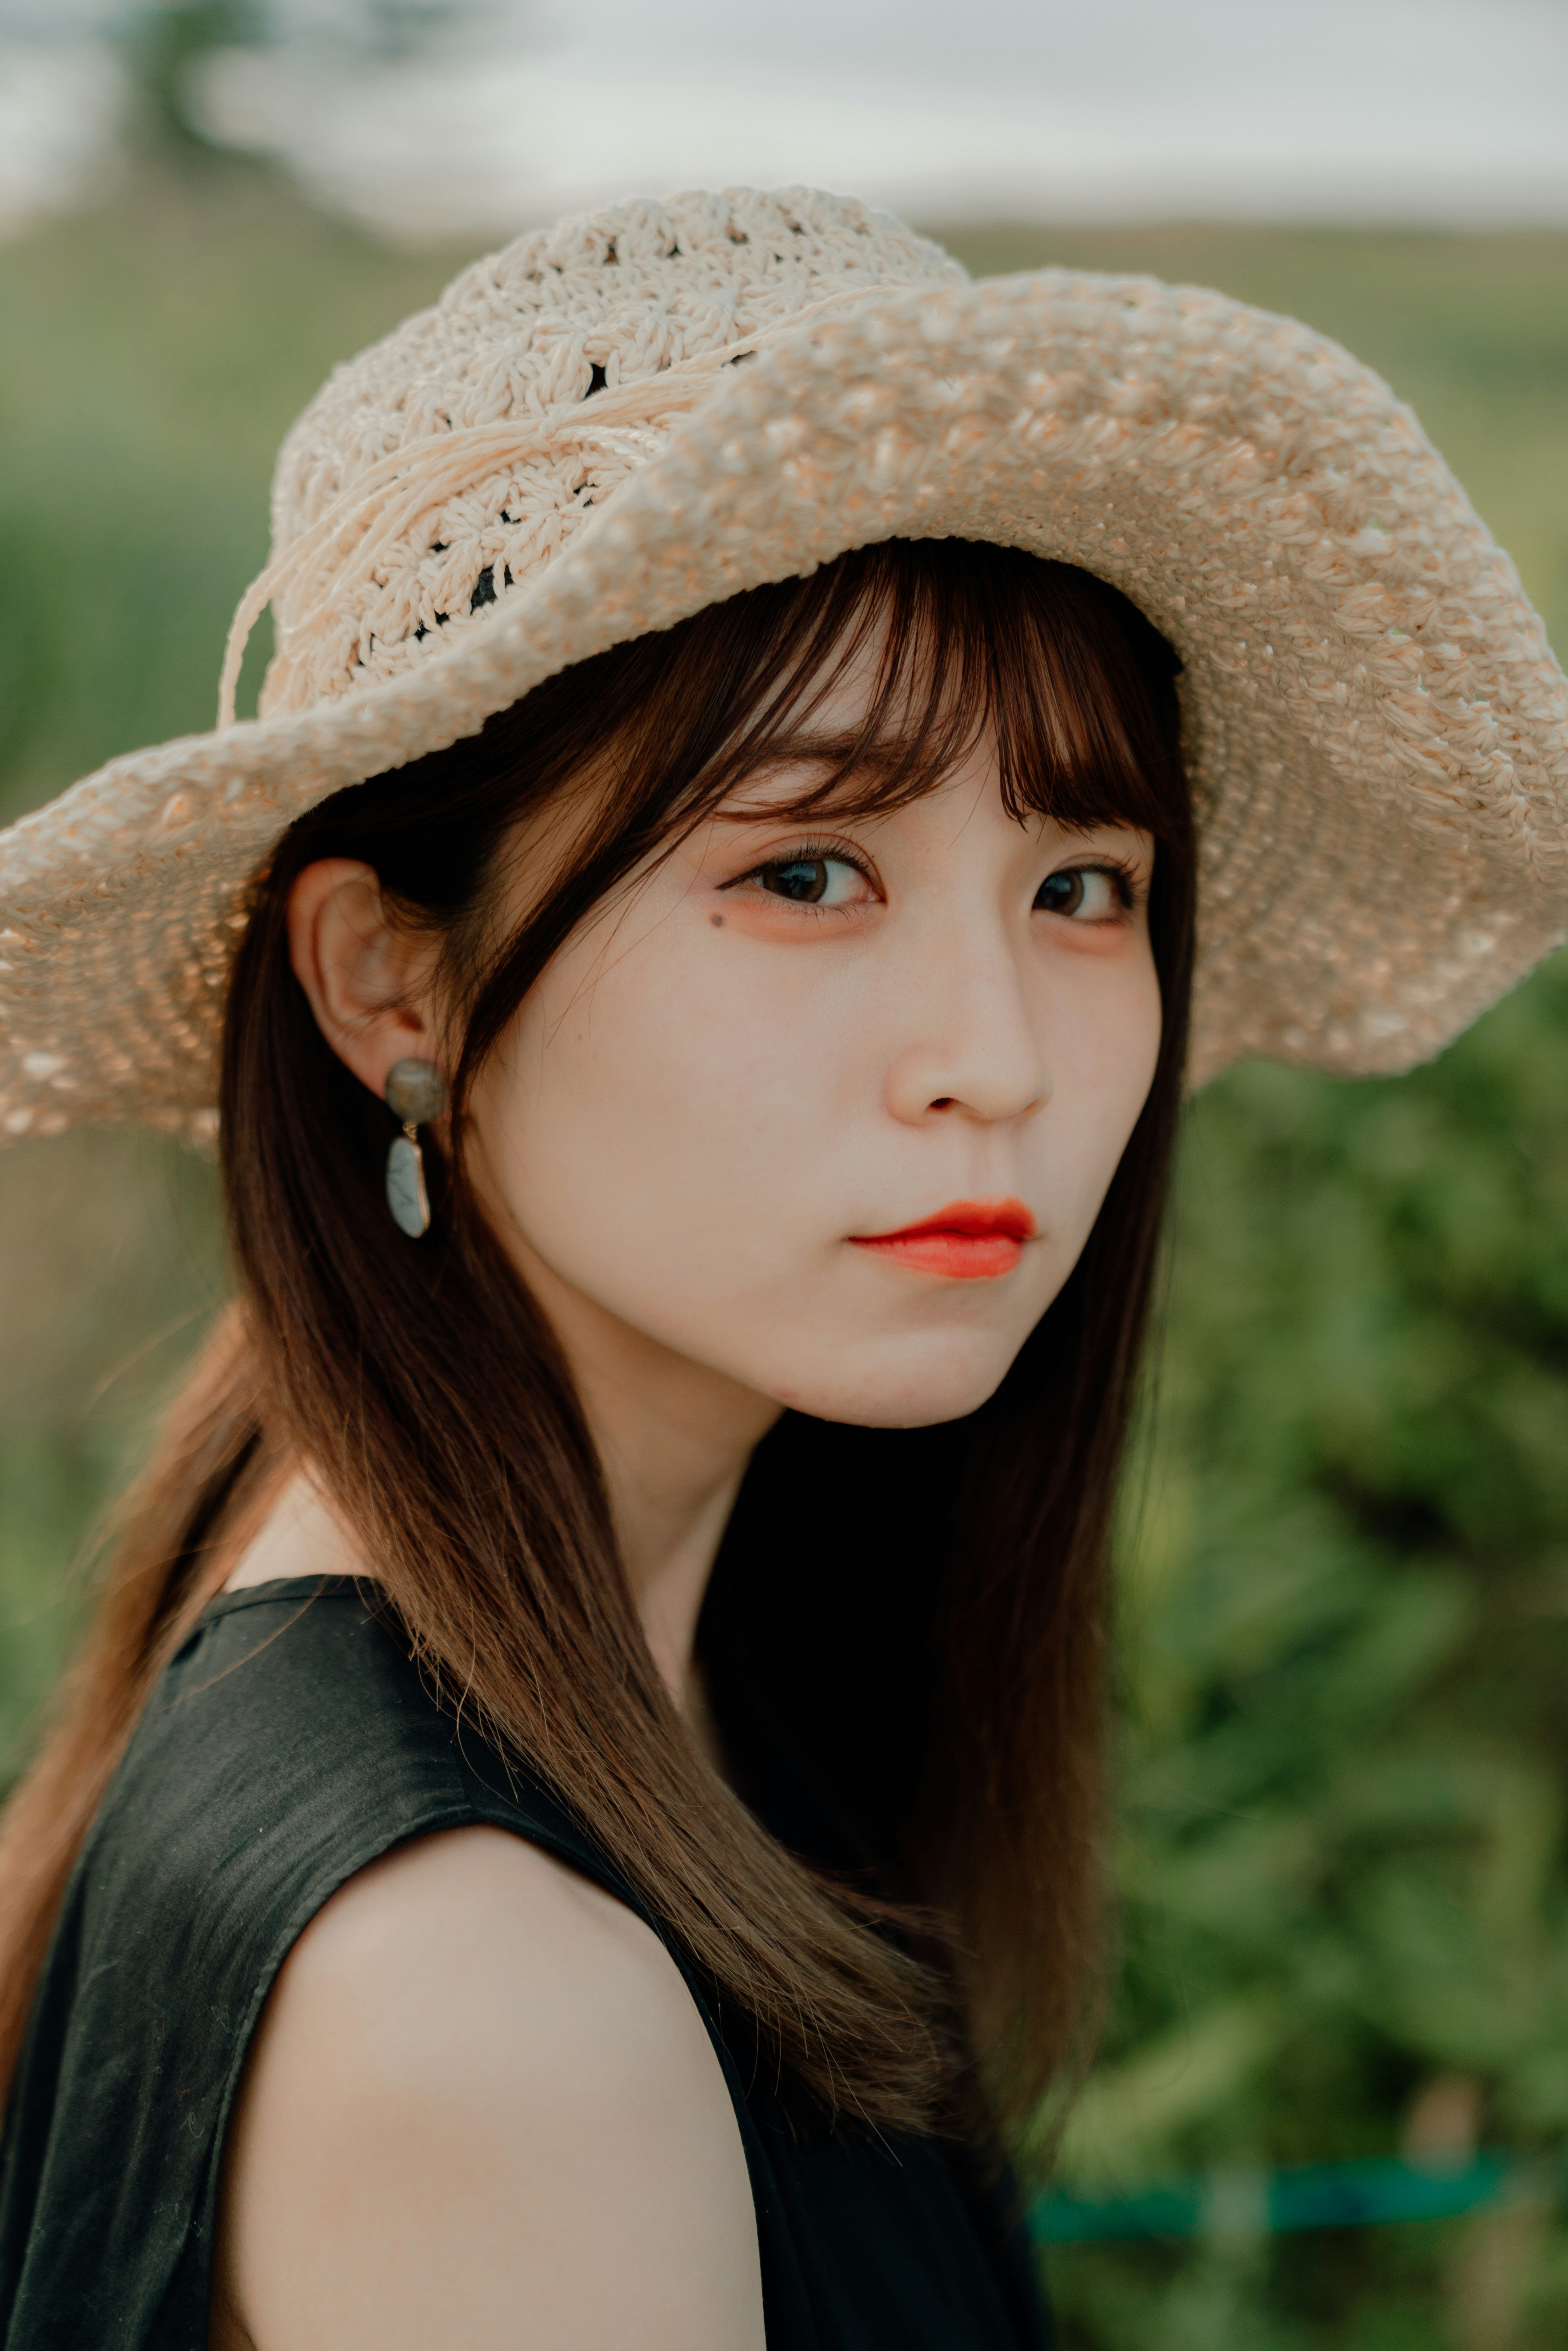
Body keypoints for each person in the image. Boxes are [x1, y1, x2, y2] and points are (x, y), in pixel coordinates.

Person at [0, 186, 1562, 2351]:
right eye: (810, 868)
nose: (995, 1061)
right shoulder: (483, 1991)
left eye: (1086, 886)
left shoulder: (629, 1668)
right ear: (396, 982)